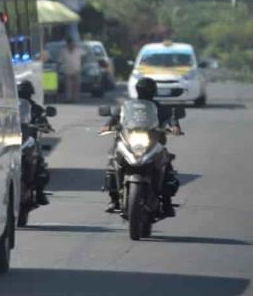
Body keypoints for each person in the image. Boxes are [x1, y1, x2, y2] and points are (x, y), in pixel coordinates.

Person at [100, 77, 182, 217]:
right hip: (131, 142)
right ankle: (114, 199)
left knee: (166, 164)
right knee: (113, 162)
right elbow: (114, 117)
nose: (145, 92)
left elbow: (171, 119)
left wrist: (174, 126)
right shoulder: (127, 106)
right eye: (144, 89)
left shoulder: (160, 108)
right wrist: (108, 125)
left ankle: (167, 202)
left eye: (147, 90)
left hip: (153, 143)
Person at [18, 80, 50, 206]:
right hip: (15, 139)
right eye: (21, 93)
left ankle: (40, 191)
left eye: (25, 93)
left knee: (41, 163)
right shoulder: (11, 106)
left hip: (30, 139)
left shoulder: (36, 108)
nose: (23, 95)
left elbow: (44, 122)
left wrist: (44, 125)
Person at [59, 37, 83, 103]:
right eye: (71, 44)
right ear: (68, 44)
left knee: (76, 85)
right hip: (67, 70)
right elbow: (60, 60)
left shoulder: (78, 50)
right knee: (68, 86)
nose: (72, 45)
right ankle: (68, 99)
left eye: (73, 43)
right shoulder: (64, 51)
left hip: (76, 70)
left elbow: (85, 56)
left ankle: (76, 99)